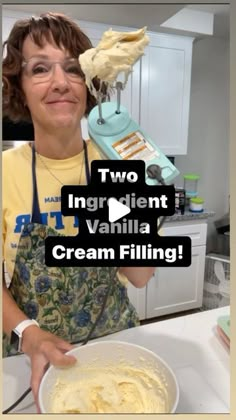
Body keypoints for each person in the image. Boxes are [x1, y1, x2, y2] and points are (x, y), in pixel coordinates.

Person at [2, 12, 155, 411]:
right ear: (19, 88)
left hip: (117, 346)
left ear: (88, 86)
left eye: (73, 69)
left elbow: (140, 277)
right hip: (29, 354)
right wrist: (27, 331)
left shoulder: (117, 164)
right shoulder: (5, 172)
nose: (59, 82)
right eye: (39, 69)